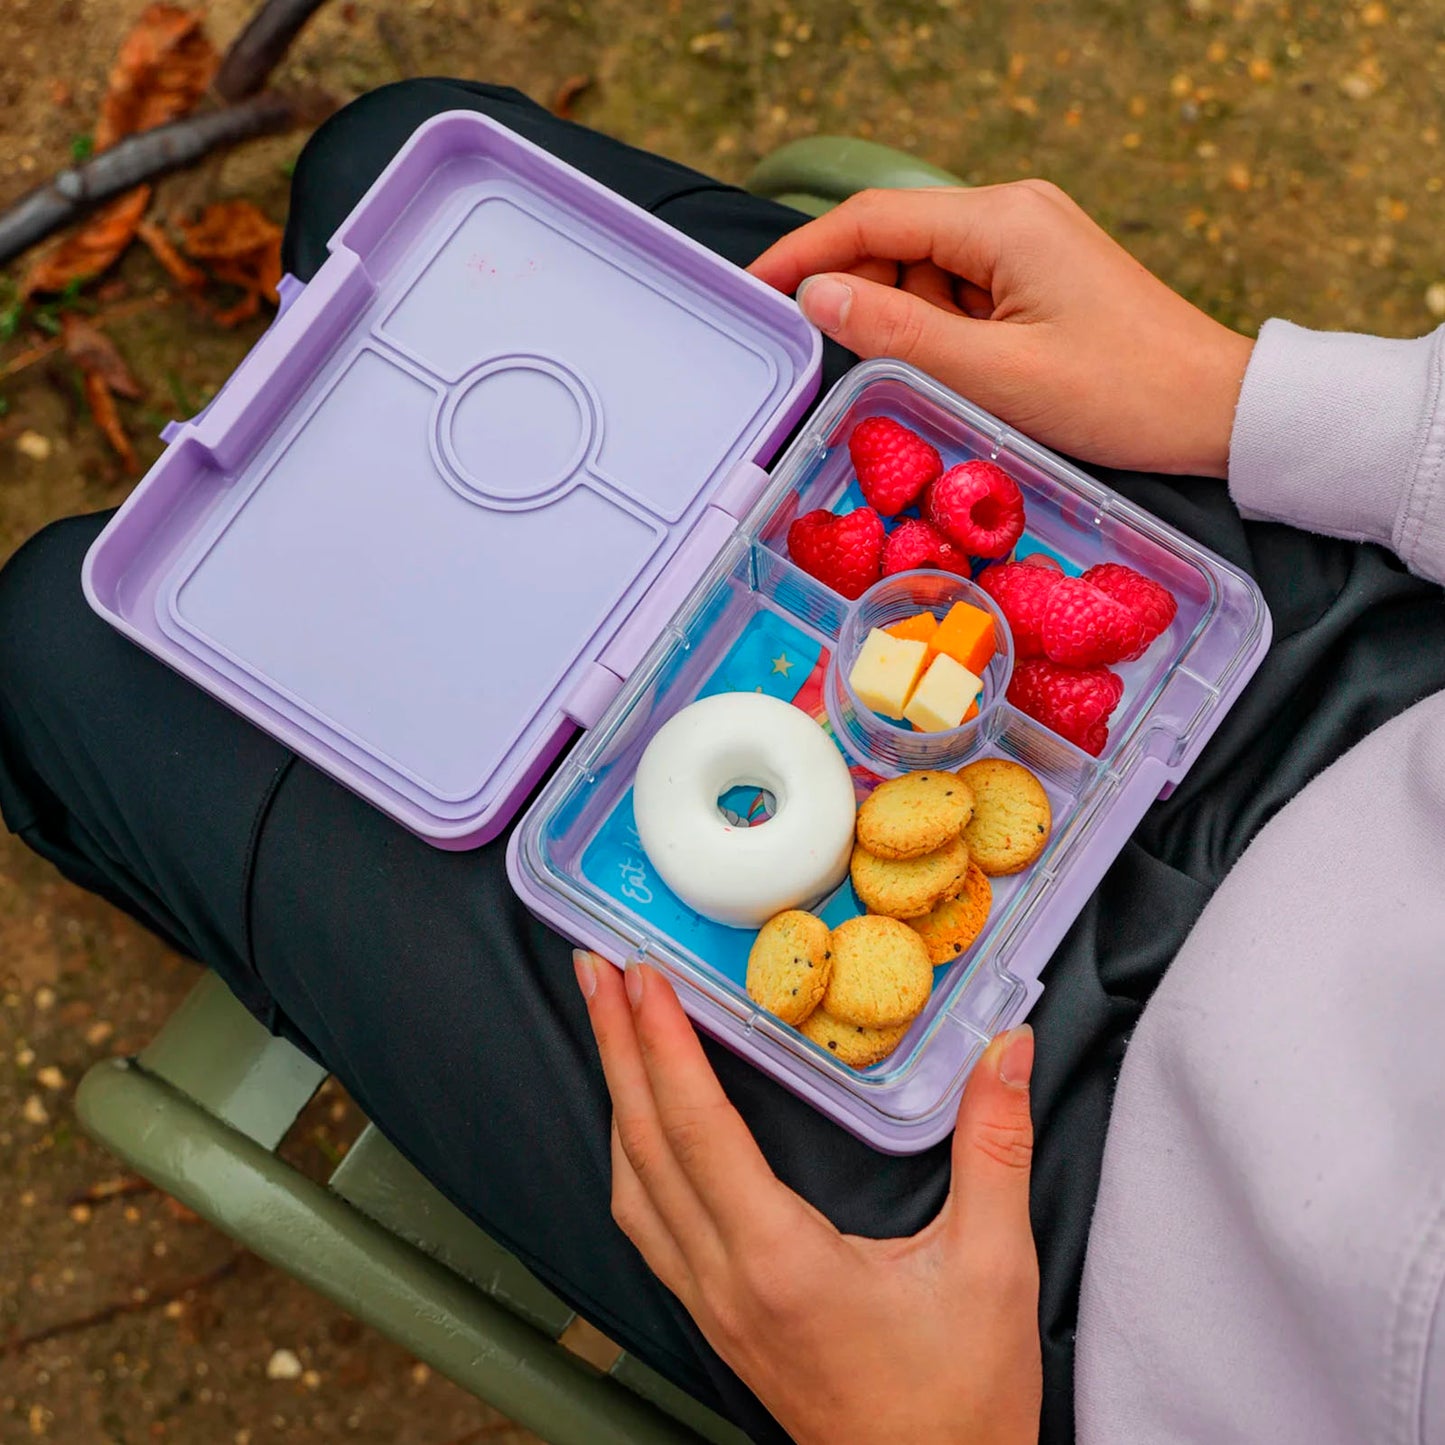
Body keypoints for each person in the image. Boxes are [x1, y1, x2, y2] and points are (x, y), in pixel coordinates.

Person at [2, 81, 1443, 1444]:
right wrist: (1293, 408)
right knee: (386, 165)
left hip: (1049, 1295)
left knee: (56, 643)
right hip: (1319, 682)